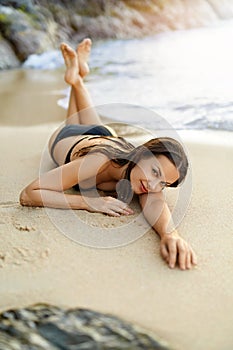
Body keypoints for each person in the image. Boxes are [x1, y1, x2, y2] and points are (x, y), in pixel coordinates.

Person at [20, 39, 197, 270]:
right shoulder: (97, 163)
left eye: (162, 182)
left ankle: (77, 77)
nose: (153, 184)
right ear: (142, 154)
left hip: (109, 137)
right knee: (73, 121)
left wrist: (170, 234)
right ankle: (77, 78)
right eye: (155, 171)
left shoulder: (146, 180)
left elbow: (155, 203)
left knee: (93, 123)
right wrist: (88, 202)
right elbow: (28, 194)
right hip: (71, 138)